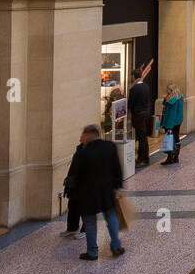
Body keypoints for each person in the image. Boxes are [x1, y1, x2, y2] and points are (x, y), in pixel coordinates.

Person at [71, 124, 125, 261]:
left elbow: (76, 175)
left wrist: (75, 194)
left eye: (83, 136)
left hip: (88, 193)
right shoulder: (110, 147)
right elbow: (117, 168)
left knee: (90, 223)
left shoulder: (82, 153)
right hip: (107, 190)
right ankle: (116, 246)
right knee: (111, 216)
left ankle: (92, 252)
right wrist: (117, 185)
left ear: (88, 136)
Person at [60, 128, 90, 238]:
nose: (80, 138)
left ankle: (86, 230)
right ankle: (72, 228)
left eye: (82, 136)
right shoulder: (80, 149)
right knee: (73, 205)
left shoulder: (90, 152)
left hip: (84, 185)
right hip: (74, 183)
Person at [127, 70, 152, 166]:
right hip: (145, 113)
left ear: (133, 76)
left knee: (141, 137)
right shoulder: (146, 86)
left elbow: (131, 104)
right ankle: (143, 158)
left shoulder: (134, 88)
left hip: (138, 114)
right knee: (143, 136)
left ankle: (143, 159)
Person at [159, 82, 184, 165]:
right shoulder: (180, 97)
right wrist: (165, 99)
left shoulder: (173, 100)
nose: (167, 92)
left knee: (170, 139)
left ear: (171, 90)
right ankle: (176, 157)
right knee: (176, 137)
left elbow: (172, 114)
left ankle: (170, 158)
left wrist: (169, 126)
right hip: (178, 122)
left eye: (168, 91)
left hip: (171, 123)